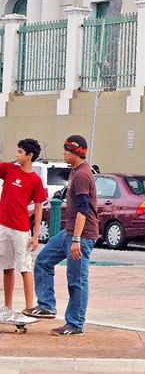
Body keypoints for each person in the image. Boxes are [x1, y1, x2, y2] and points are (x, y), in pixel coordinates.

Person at [24, 135, 98, 335]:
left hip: (80, 236)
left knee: (77, 280)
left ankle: (75, 324)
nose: (63, 152)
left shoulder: (82, 175)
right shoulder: (76, 172)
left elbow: (83, 209)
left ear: (76, 152)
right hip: (68, 233)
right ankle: (47, 305)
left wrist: (76, 240)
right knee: (43, 261)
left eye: (66, 150)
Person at [0, 138, 46, 323]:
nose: (16, 155)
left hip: (21, 229)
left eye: (20, 152)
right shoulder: (9, 169)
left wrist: (35, 236)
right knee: (6, 267)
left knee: (25, 267)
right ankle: (7, 308)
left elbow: (38, 207)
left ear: (30, 156)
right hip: (4, 226)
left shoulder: (35, 180)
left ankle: (29, 310)